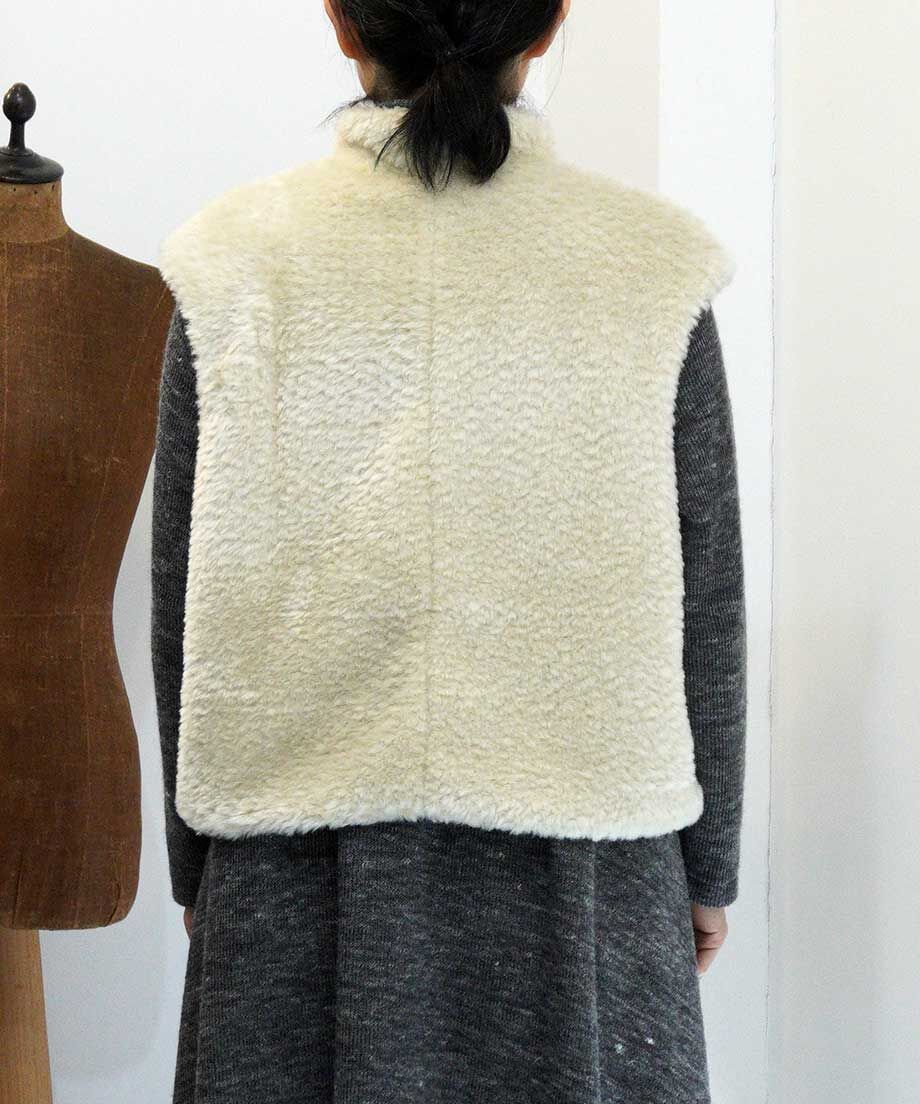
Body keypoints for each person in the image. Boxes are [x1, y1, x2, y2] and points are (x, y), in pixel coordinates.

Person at [151, 1, 747, 1101]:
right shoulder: (650, 266)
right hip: (588, 863)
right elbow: (705, 590)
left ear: (342, 22)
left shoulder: (232, 262)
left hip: (297, 862)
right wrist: (708, 867)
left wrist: (201, 865)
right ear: (547, 24)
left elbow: (184, 591)